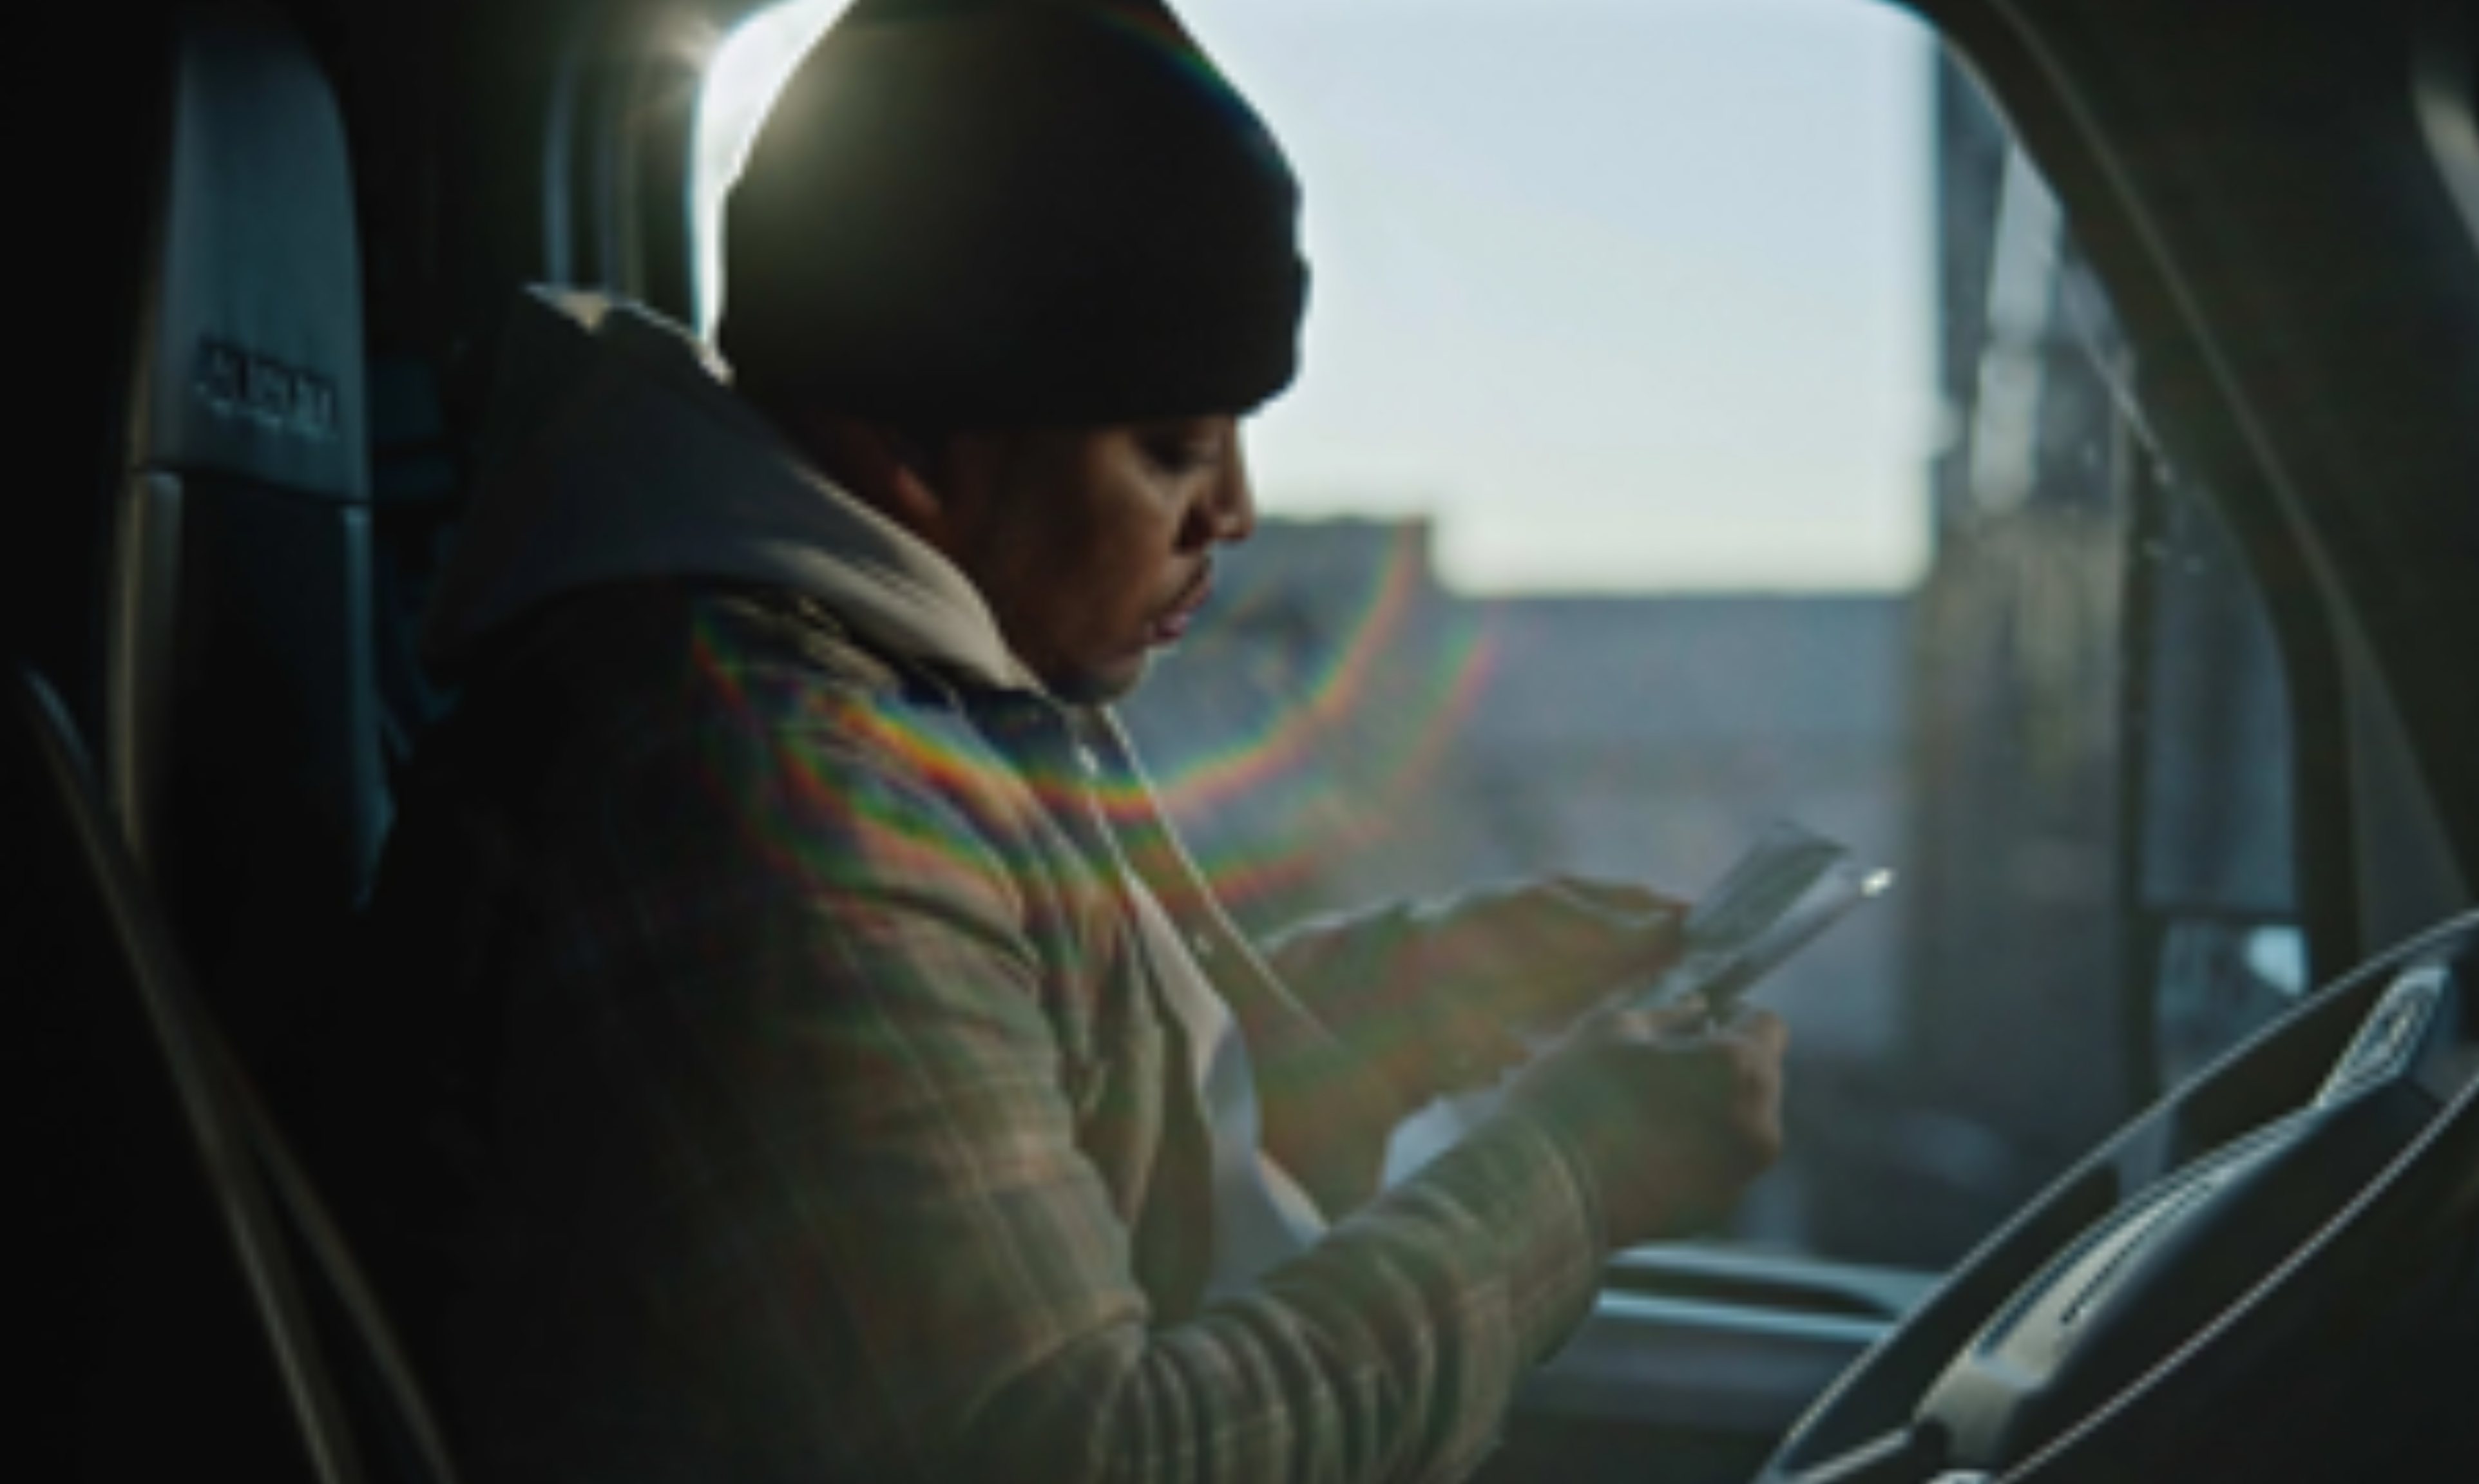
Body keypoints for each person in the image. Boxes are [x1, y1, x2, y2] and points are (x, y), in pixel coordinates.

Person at [345, 2, 1789, 1480]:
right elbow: (1076, 1453)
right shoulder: (761, 787)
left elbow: (1032, 1116)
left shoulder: (882, 683)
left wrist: (1416, 991)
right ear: (906, 450)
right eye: (1168, 446)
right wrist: (1572, 1175)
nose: (1229, 514)